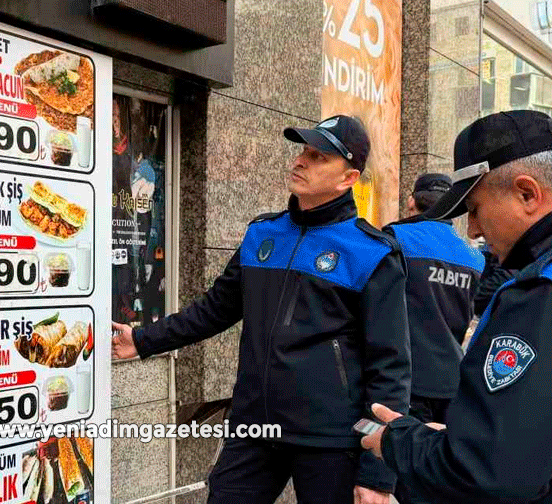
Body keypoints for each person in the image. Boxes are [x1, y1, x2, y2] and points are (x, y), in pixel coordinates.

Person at [112, 115, 411, 504]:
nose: (301, 161)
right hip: (254, 427)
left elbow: (390, 368)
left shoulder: (371, 254)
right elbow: (215, 309)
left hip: (331, 438)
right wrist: (143, 339)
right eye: (303, 151)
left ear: (348, 179)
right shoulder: (262, 235)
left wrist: (377, 474)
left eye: (319, 156)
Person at [361, 110, 552, 503]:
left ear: (528, 194)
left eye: (476, 209)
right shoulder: (496, 267)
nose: (474, 230)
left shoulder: (537, 294)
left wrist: (399, 441)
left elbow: (491, 471)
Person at [382, 173, 485, 504]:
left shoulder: (395, 238)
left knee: (403, 478)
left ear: (412, 201)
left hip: (407, 381)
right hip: (452, 381)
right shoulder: (475, 257)